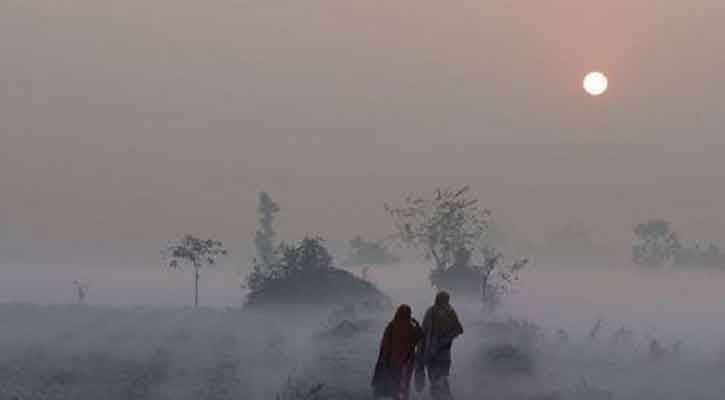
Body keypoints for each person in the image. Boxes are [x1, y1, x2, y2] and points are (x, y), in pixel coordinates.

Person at [372, 304, 423, 400]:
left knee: (395, 384)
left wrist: (383, 360)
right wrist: (417, 324)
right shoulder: (411, 328)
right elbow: (419, 337)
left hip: (393, 361)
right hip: (407, 361)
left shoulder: (391, 326)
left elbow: (385, 344)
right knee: (404, 385)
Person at [419, 291, 463, 400]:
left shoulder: (447, 312)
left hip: (438, 349)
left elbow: (458, 329)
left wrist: (446, 338)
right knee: (438, 377)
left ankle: (441, 396)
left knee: (438, 377)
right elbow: (424, 330)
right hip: (436, 349)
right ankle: (442, 396)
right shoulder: (442, 311)